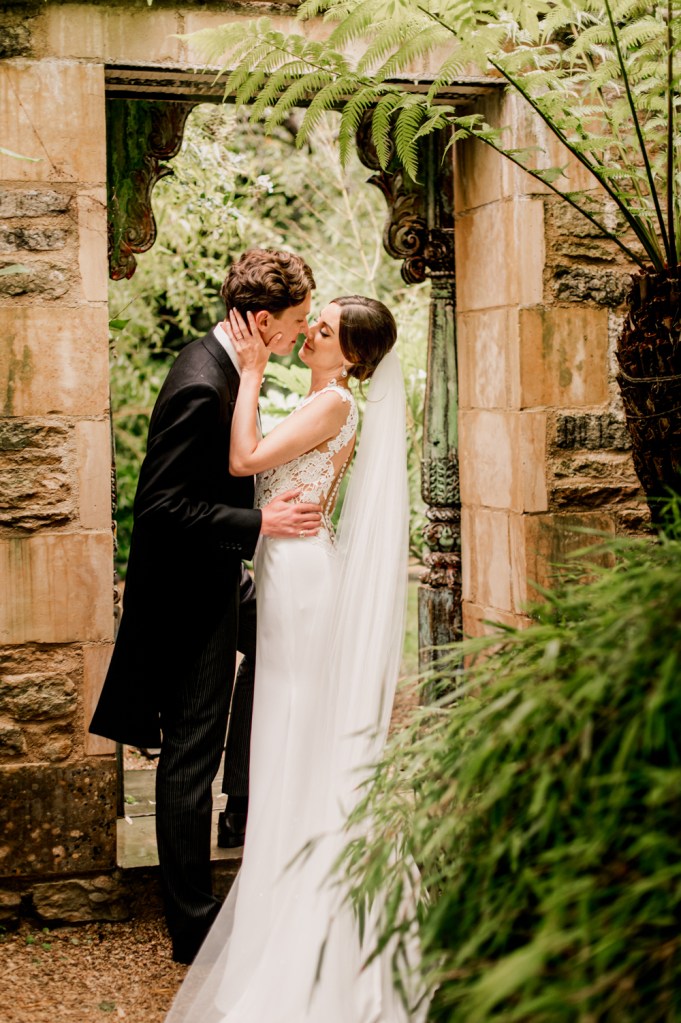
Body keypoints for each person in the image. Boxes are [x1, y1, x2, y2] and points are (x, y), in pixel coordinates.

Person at [165, 296, 426, 1022]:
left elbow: (244, 458)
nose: (311, 331)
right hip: (284, 574)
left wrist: (249, 371)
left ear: (353, 357)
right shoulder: (319, 396)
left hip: (303, 584)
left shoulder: (334, 403)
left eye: (327, 329)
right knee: (285, 735)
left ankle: (315, 919)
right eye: (317, 320)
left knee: (295, 732)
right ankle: (280, 902)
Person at [89, 249, 323, 966]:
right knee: (192, 757)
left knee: (298, 657)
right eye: (294, 322)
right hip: (189, 599)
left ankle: (256, 814)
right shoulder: (201, 381)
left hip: (221, 581)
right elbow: (160, 506)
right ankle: (192, 925)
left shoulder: (225, 366)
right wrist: (259, 526)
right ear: (259, 320)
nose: (299, 331)